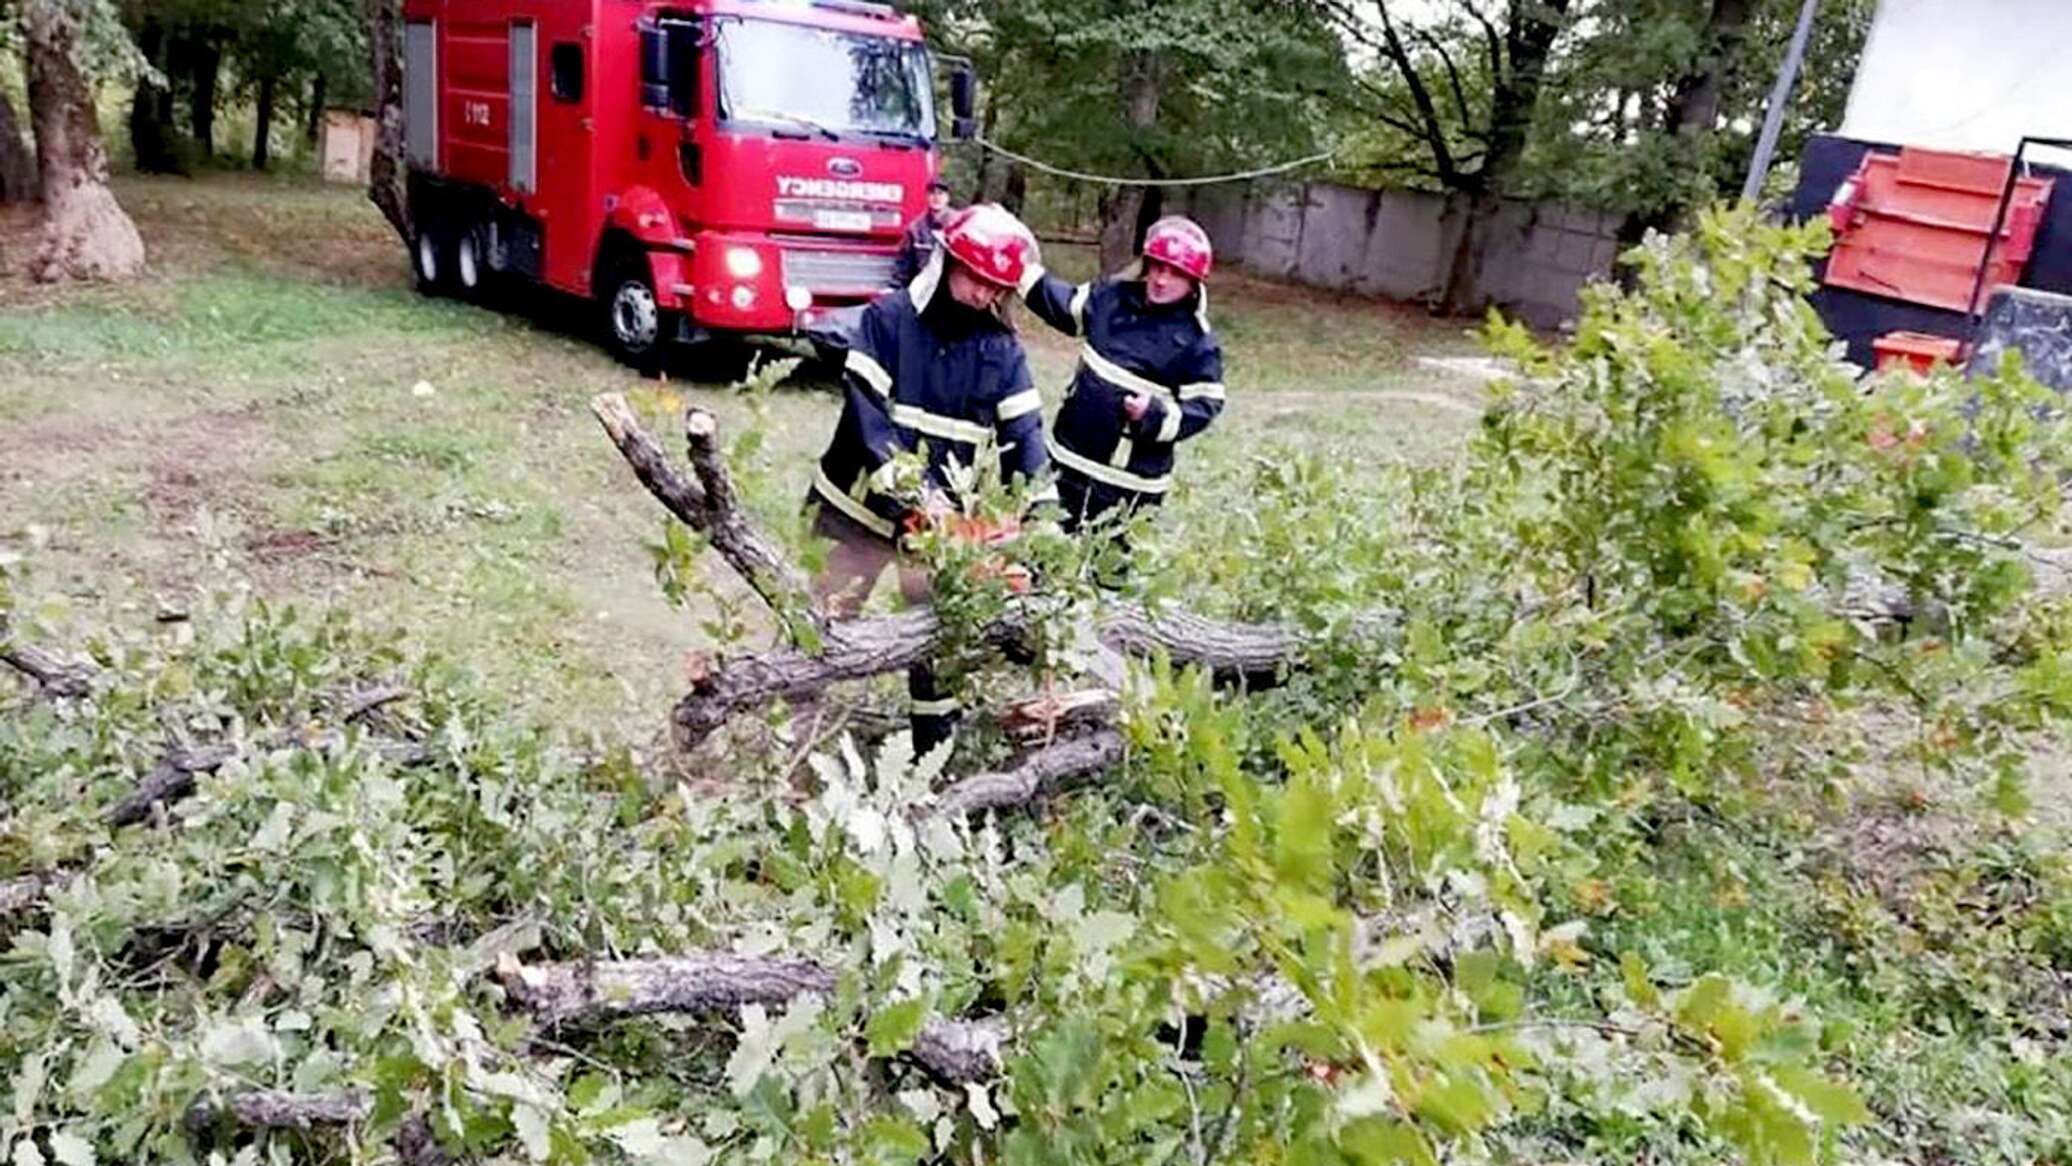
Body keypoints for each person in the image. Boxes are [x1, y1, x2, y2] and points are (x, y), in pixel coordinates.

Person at [809, 203, 1051, 755]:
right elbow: (869, 422)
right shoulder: (886, 322)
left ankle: (930, 767)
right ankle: (786, 750)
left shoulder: (1002, 351)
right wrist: (922, 499)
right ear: (945, 264)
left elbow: (1027, 443)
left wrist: (1042, 527)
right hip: (855, 515)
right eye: (975, 279)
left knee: (937, 651)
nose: (982, 295)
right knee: (819, 632)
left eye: (996, 288)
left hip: (934, 536)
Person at [1014, 215, 1225, 540]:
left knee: (1107, 579)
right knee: (1040, 556)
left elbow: (1206, 405)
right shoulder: (1112, 297)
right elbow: (1065, 305)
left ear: (1193, 282)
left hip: (1129, 489)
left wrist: (1154, 415)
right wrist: (1017, 267)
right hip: (1065, 466)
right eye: (1157, 267)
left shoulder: (1198, 342)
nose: (1161, 280)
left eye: (1175, 273)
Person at [890, 180, 956, 287]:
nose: (936, 198)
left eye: (940, 194)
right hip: (923, 288)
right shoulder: (916, 228)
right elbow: (904, 262)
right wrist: (895, 286)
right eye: (932, 193)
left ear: (948, 198)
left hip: (950, 288)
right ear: (927, 197)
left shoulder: (958, 224)